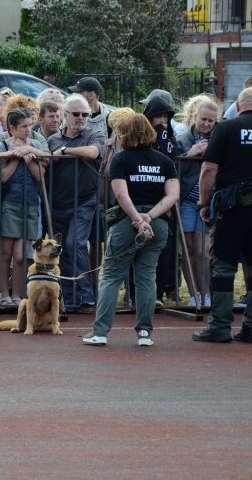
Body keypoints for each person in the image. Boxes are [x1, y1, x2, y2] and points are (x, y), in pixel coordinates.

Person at [193, 88, 252, 344]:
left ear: (239, 104)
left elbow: (209, 169)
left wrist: (204, 203)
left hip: (234, 205)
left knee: (223, 264)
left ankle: (220, 327)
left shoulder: (227, 128)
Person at [83, 114, 179, 346]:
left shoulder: (121, 160)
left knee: (112, 275)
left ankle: (100, 331)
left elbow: (121, 194)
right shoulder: (165, 161)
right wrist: (150, 216)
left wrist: (137, 219)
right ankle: (145, 333)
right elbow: (173, 195)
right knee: (146, 276)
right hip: (158, 222)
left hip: (127, 221)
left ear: (124, 135)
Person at [46, 94, 106, 308]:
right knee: (61, 248)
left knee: (76, 243)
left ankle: (86, 293)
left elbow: (92, 153)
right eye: (76, 114)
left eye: (85, 114)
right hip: (57, 203)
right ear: (65, 115)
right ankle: (69, 296)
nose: (81, 118)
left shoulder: (94, 134)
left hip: (84, 201)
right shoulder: (52, 139)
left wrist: (65, 151)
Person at [0, 108, 49, 306]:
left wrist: (29, 151)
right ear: (12, 128)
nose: (28, 130)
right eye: (24, 127)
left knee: (22, 254)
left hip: (30, 203)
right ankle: (5, 294)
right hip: (9, 203)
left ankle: (18, 294)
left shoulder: (36, 143)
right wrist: (14, 155)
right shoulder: (3, 143)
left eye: (30, 125)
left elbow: (43, 169)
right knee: (5, 252)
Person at [176, 94, 219, 307]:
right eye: (203, 119)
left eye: (211, 121)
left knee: (203, 250)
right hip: (185, 201)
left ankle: (207, 293)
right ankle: (194, 295)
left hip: (206, 201)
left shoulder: (219, 138)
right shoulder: (182, 139)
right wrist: (190, 153)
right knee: (188, 248)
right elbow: (172, 168)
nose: (206, 124)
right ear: (194, 116)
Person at [143, 94, 180, 306]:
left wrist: (161, 131)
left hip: (164, 202)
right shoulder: (139, 133)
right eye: (157, 115)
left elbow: (171, 153)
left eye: (165, 115)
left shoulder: (169, 135)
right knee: (139, 247)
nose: (162, 119)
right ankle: (136, 293)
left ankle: (158, 293)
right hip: (141, 199)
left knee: (165, 247)